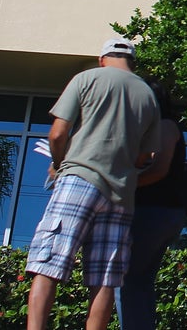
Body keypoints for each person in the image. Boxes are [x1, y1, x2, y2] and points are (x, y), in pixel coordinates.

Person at [25, 37, 160, 330]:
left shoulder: (86, 78)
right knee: (105, 278)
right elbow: (146, 155)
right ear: (132, 63)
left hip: (78, 179)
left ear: (102, 59)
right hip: (121, 193)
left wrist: (60, 164)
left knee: (47, 263)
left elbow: (58, 134)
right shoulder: (148, 95)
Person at [115, 79, 187, 330]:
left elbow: (159, 170)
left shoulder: (165, 126)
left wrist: (121, 183)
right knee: (140, 280)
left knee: (125, 280)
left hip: (155, 210)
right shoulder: (153, 129)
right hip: (161, 211)